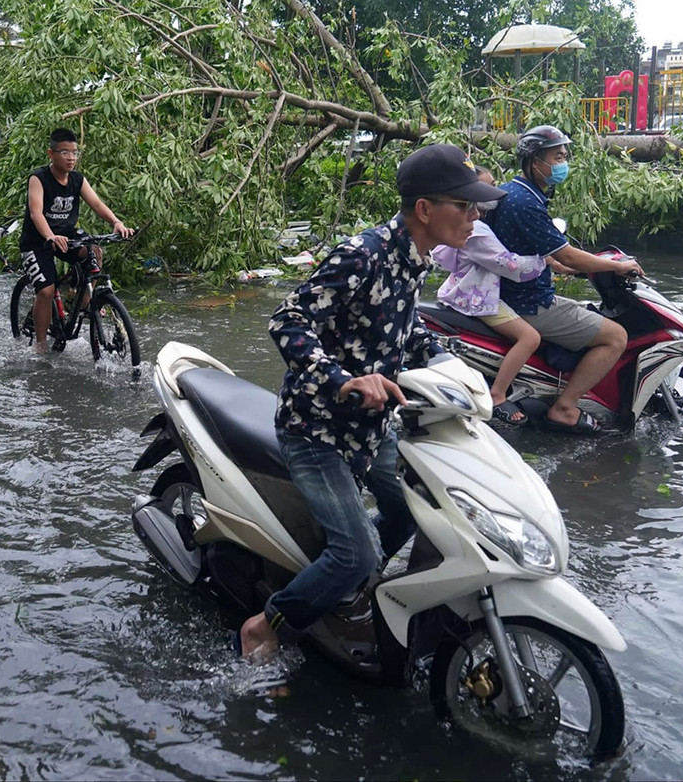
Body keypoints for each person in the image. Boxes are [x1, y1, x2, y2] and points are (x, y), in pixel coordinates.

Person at [237, 143, 502, 662]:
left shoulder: (415, 257)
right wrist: (341, 380)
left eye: (477, 207)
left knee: (417, 510)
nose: (475, 217)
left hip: (375, 426)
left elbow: (405, 325)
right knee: (357, 553)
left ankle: (346, 580)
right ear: (425, 210)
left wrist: (453, 365)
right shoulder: (362, 254)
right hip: (317, 429)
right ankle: (265, 623)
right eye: (465, 206)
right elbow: (288, 320)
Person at [486, 126, 644, 434]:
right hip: (529, 302)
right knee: (616, 337)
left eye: (564, 156)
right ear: (535, 162)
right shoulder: (526, 203)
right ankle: (565, 407)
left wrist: (563, 265)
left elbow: (539, 251)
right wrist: (616, 267)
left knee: (585, 309)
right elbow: (569, 254)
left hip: (511, 292)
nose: (563, 163)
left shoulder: (513, 192)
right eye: (557, 157)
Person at [431, 166, 541, 425]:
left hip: (461, 292)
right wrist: (545, 260)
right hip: (475, 298)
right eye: (486, 188)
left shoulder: (477, 223)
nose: (494, 191)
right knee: (530, 337)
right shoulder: (477, 229)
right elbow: (510, 266)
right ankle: (498, 395)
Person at [18, 127, 133, 353]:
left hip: (67, 237)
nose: (71, 158)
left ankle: (79, 303)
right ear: (51, 154)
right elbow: (36, 214)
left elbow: (97, 204)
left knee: (94, 253)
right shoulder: (38, 178)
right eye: (64, 153)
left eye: (74, 153)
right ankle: (40, 344)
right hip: (37, 241)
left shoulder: (78, 180)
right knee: (46, 291)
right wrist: (50, 235)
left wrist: (116, 222)